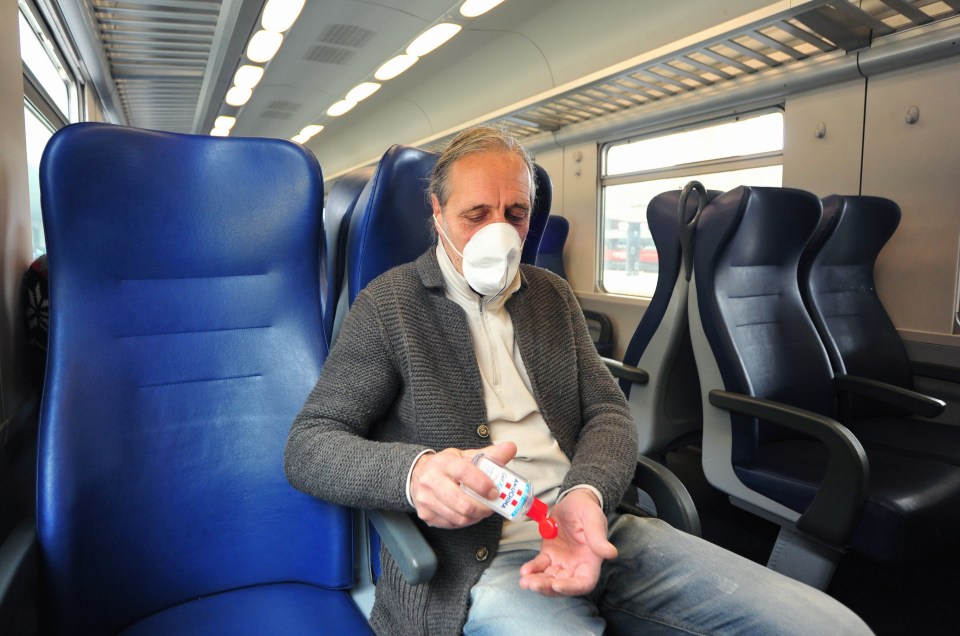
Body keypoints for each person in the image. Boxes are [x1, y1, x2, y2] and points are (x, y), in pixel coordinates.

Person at [284, 126, 872, 635]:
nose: (501, 233)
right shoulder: (390, 305)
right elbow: (311, 443)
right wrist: (414, 475)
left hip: (598, 528)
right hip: (483, 561)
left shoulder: (551, 296)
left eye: (515, 214)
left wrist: (586, 495)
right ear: (436, 216)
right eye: (475, 215)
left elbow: (609, 414)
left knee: (834, 626)